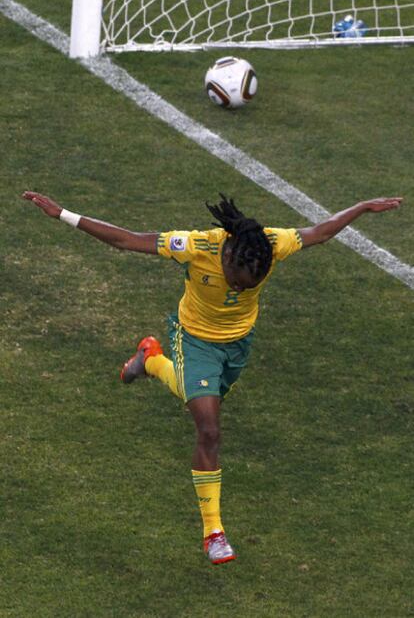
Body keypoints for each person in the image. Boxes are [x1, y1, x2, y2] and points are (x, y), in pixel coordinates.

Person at [22, 190, 402, 565]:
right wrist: (63, 215)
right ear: (229, 255)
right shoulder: (196, 246)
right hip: (195, 341)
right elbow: (126, 240)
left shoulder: (271, 245)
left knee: (203, 397)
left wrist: (362, 208)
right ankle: (214, 533)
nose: (239, 287)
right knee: (209, 430)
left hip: (237, 345)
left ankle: (150, 360)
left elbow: (320, 231)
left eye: (248, 286)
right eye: (235, 279)